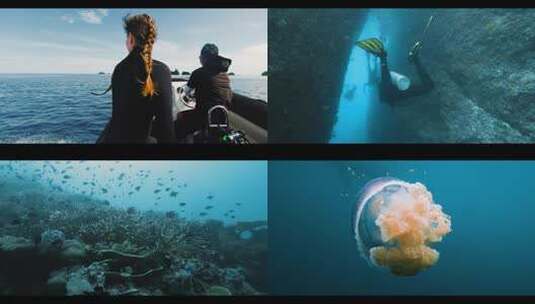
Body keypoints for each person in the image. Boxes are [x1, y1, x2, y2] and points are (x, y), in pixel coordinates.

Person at [101, 14, 175, 143]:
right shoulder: (162, 70)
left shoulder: (119, 69)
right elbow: (166, 126)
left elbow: (119, 117)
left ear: (130, 38)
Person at [175, 43, 233, 140]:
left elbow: (186, 92)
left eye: (200, 57)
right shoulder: (225, 75)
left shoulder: (198, 73)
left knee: (179, 117)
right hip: (223, 116)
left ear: (203, 58)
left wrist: (192, 96)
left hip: (204, 117)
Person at [356, 38, 434, 103]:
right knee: (428, 86)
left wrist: (383, 58)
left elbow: (385, 81)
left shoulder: (385, 91)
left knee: (387, 90)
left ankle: (415, 59)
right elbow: (385, 80)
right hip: (395, 90)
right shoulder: (385, 88)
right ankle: (415, 59)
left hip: (394, 92)